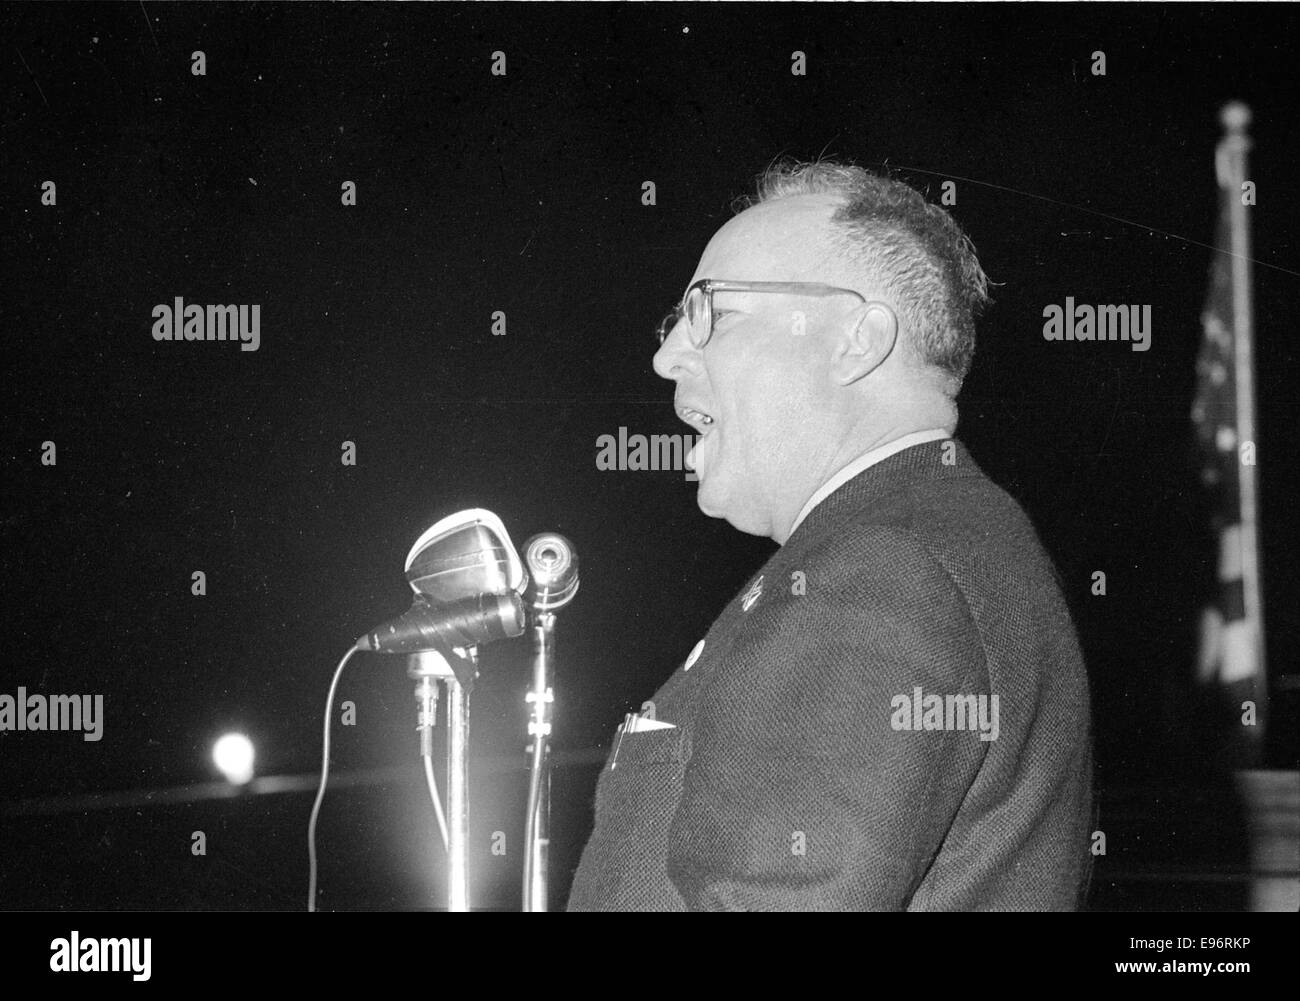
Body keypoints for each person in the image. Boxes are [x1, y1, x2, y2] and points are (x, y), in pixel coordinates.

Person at [567, 160, 1093, 910]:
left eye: (711, 310)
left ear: (856, 340)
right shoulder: (918, 540)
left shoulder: (884, 570)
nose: (667, 354)